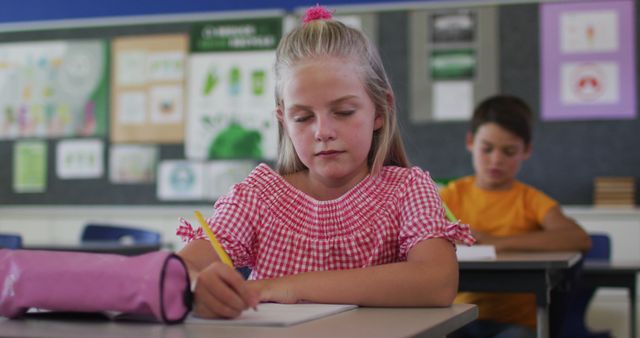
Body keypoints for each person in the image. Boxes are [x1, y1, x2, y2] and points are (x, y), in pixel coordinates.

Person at [175, 5, 475, 319]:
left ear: (380, 110)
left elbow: (437, 283)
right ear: (283, 121)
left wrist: (287, 287)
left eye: (344, 112)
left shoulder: (407, 190)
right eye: (302, 117)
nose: (323, 132)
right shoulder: (256, 198)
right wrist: (197, 285)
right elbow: (182, 268)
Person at [441, 95, 592, 338]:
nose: (496, 159)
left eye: (509, 151)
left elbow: (578, 238)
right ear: (470, 142)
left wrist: (496, 242)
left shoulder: (530, 200)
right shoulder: (450, 196)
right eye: (487, 148)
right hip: (460, 316)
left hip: (517, 324)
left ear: (527, 150)